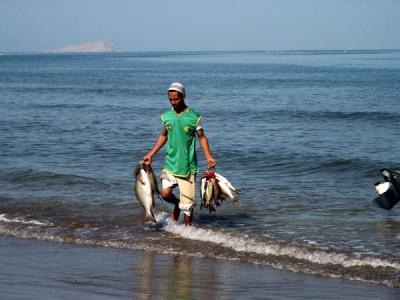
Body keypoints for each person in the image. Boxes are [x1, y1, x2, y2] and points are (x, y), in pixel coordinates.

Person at [143, 82, 216, 225]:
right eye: (170, 99)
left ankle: (188, 230)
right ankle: (176, 204)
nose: (173, 102)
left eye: (175, 99)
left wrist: (208, 157)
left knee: (187, 207)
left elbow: (201, 137)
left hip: (187, 167)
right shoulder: (166, 116)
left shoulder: (194, 117)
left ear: (183, 97)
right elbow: (163, 136)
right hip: (171, 163)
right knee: (165, 193)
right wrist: (151, 154)